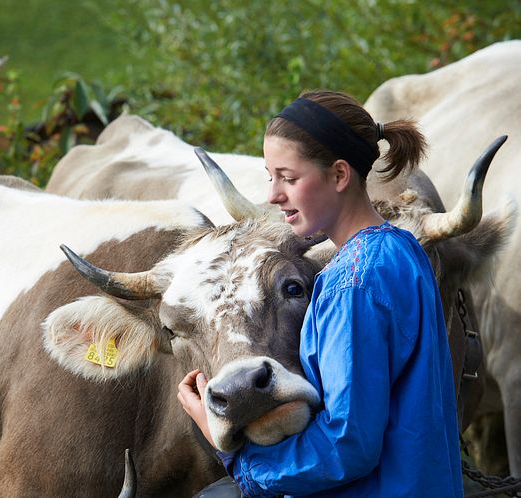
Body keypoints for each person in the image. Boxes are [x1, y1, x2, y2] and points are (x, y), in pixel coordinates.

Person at [177, 90, 463, 497]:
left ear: (340, 175)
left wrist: (241, 462)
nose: (274, 195)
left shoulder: (352, 283)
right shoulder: (403, 249)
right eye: (269, 177)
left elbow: (348, 446)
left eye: (289, 178)